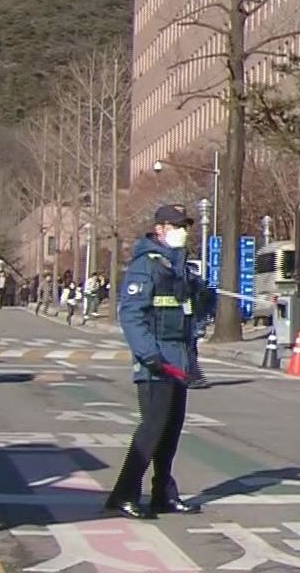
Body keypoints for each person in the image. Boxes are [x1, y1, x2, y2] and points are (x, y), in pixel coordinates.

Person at [107, 205, 215, 520]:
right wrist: (148, 354)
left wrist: (203, 297)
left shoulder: (178, 265)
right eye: (177, 226)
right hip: (156, 360)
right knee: (152, 428)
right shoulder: (146, 265)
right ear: (160, 228)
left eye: (185, 226)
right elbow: (131, 314)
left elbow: (190, 310)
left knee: (171, 430)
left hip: (178, 358)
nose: (183, 232)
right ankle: (124, 494)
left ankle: (163, 494)